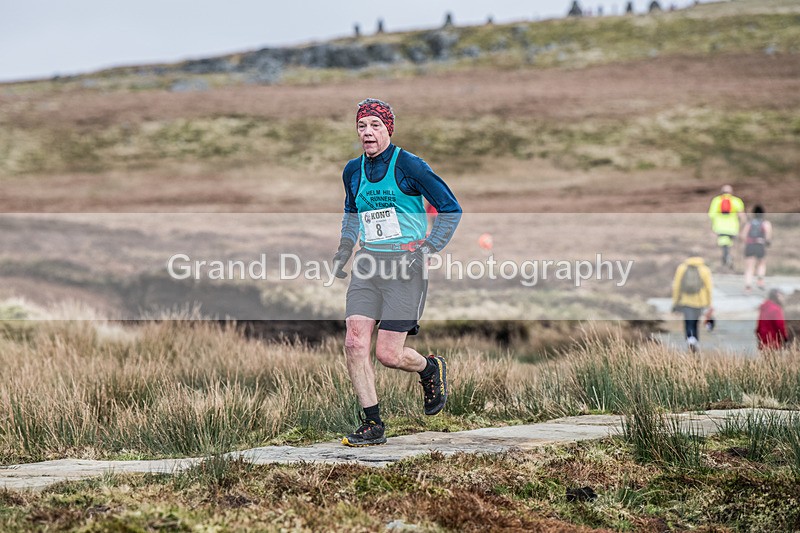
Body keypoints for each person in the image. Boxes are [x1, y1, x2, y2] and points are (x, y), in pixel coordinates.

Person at [332, 98, 462, 447]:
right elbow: (352, 213)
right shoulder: (353, 171)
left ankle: (429, 368)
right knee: (354, 341)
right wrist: (345, 248)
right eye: (362, 126)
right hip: (368, 264)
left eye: (375, 125)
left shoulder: (411, 166)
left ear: (388, 128)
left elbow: (451, 209)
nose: (368, 132)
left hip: (405, 267)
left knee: (388, 355)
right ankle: (372, 424)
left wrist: (428, 248)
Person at [672, 251, 713, 353]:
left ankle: (690, 339)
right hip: (701, 301)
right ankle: (695, 341)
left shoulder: (682, 268)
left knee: (688, 322)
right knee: (695, 322)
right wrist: (709, 303)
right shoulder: (705, 269)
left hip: (686, 301)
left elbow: (676, 286)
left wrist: (675, 301)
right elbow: (709, 288)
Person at [708, 185, 746, 270]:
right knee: (730, 244)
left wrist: (711, 228)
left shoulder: (716, 200)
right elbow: (742, 216)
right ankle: (729, 258)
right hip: (732, 228)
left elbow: (711, 215)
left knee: (724, 244)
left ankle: (726, 257)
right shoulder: (736, 201)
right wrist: (743, 227)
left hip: (719, 227)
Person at [742, 205, 773, 294]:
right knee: (761, 263)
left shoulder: (749, 223)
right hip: (760, 245)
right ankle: (760, 279)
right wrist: (767, 242)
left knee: (749, 267)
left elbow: (743, 235)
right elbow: (768, 237)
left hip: (750, 245)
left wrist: (747, 242)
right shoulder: (765, 223)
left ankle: (748, 286)